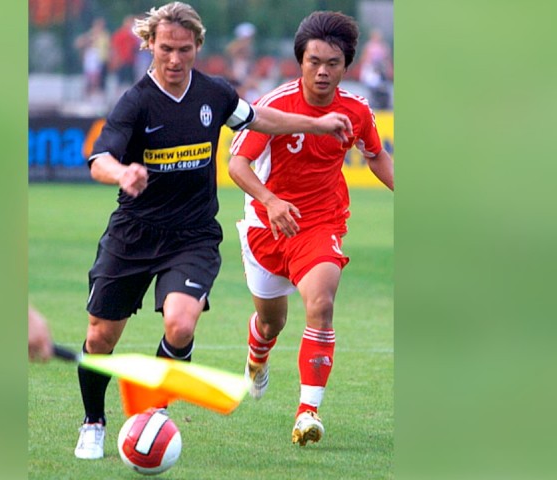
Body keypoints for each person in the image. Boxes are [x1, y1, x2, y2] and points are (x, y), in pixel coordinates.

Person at [73, 2, 354, 461]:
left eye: (185, 49)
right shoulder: (135, 101)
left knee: (181, 323)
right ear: (150, 45)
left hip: (193, 235)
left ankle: (155, 414)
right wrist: (121, 174)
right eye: (166, 48)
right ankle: (93, 422)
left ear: (198, 47)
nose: (175, 59)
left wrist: (316, 123)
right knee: (102, 337)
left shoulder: (215, 94)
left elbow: (260, 118)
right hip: (134, 233)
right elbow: (99, 158)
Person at [228, 11, 394, 447]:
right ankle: (257, 353)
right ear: (300, 60)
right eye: (313, 61)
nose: (322, 71)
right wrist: (270, 200)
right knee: (271, 322)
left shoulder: (356, 110)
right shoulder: (275, 106)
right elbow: (237, 164)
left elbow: (375, 155)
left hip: (320, 223)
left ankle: (307, 413)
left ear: (347, 65)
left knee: (320, 303)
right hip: (267, 226)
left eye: (333, 63)